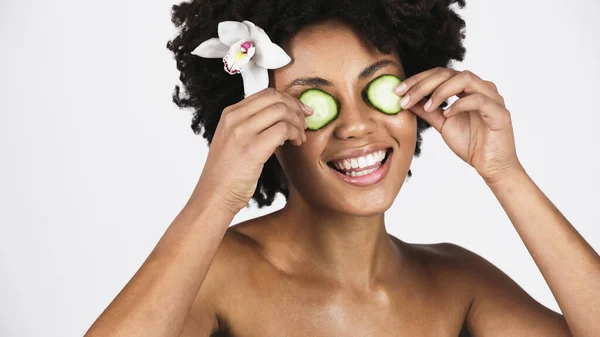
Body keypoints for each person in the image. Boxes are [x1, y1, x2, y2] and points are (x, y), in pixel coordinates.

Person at [84, 0, 600, 336]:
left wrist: (504, 172)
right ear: (263, 122)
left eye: (378, 88)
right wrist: (214, 199)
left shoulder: (458, 285)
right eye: (315, 100)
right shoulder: (217, 276)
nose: (356, 125)